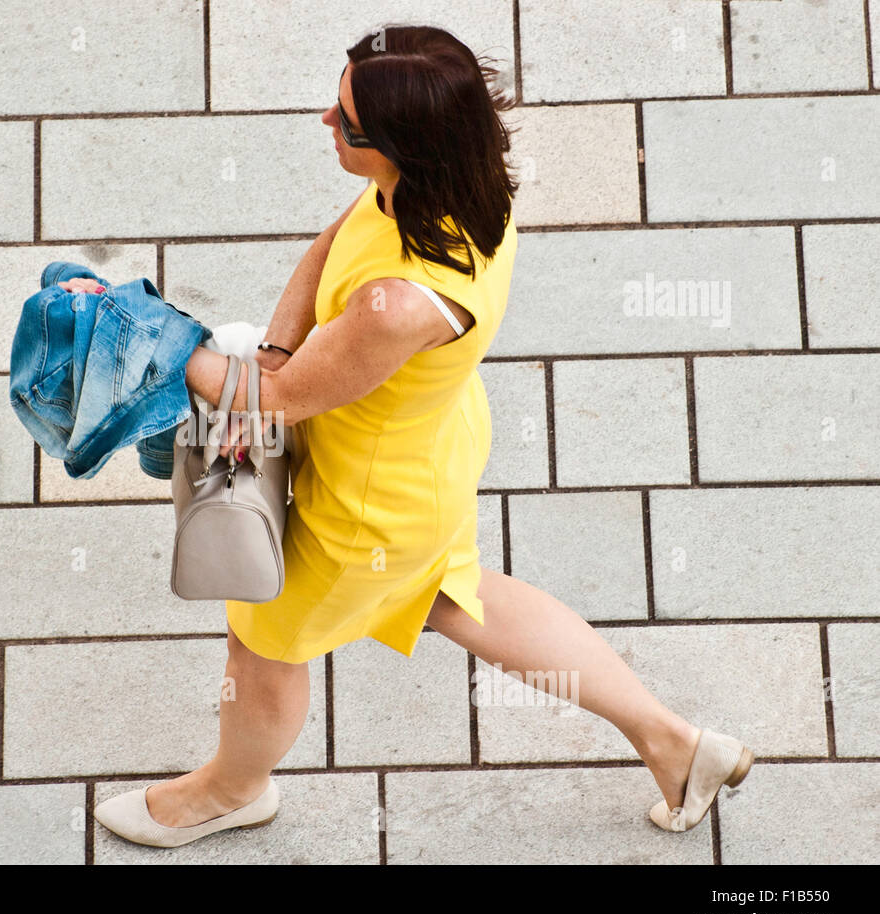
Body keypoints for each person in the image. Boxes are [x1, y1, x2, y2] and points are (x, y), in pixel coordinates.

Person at [79, 25, 753, 848]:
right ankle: (677, 744)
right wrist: (271, 349)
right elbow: (334, 248)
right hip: (420, 458)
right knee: (451, 597)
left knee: (262, 645)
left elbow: (284, 400)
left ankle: (230, 789)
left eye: (348, 123)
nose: (325, 121)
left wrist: (147, 331)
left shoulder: (397, 305)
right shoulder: (454, 191)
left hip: (361, 507)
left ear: (403, 143)